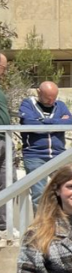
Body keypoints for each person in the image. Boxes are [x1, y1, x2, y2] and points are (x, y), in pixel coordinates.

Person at [19, 80, 72, 206]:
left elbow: (69, 122)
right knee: (39, 195)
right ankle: (41, 225)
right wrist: (57, 122)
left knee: (66, 192)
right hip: (35, 155)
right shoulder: (28, 104)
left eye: (54, 98)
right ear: (39, 92)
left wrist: (43, 122)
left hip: (58, 155)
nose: (51, 101)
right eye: (48, 98)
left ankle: (63, 224)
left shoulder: (60, 105)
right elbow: (29, 123)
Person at [0, 53, 9, 231]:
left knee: (7, 183)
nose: (5, 72)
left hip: (5, 139)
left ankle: (3, 225)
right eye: (3, 67)